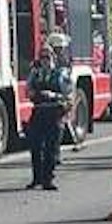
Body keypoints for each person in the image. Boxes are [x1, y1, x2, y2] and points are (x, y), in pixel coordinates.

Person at [25, 33, 72, 191]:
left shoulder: (61, 73)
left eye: (48, 57)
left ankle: (48, 179)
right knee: (35, 147)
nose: (45, 60)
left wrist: (54, 96)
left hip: (54, 113)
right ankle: (36, 178)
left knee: (51, 149)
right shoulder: (35, 73)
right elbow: (28, 91)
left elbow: (68, 94)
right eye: (42, 57)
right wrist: (34, 94)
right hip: (38, 113)